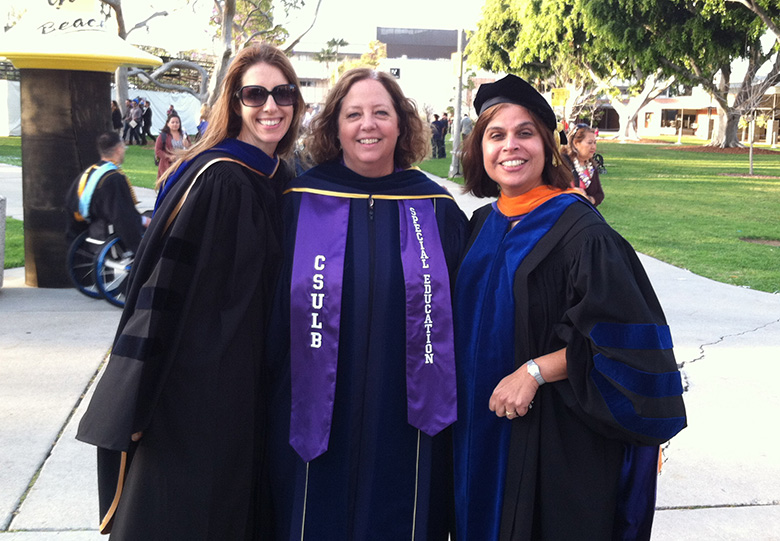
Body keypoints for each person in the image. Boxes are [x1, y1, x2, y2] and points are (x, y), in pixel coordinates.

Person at [75, 42, 305, 539]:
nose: (271, 106)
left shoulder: (275, 178)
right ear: (234, 102)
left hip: (251, 385)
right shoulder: (221, 180)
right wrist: (138, 393)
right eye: (255, 94)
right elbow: (163, 291)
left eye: (283, 93)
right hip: (200, 392)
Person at [452, 74, 687, 540]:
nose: (510, 147)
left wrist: (533, 371)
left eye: (525, 133)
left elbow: (629, 345)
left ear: (547, 144)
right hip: (479, 436)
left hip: (553, 444)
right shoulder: (480, 225)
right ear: (479, 149)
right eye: (496, 135)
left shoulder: (582, 232)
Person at [267, 67, 468, 540]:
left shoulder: (436, 209)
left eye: (381, 112)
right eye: (354, 114)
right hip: (312, 411)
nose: (368, 125)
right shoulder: (298, 204)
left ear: (401, 125)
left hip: (407, 414)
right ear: (334, 127)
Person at [66, 131, 149, 253]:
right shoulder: (113, 178)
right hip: (110, 225)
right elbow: (122, 215)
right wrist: (143, 221)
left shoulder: (90, 172)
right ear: (119, 149)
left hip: (80, 226)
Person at [561, 123, 605, 206]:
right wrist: (572, 192)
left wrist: (589, 200)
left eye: (595, 143)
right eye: (589, 143)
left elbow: (599, 195)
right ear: (576, 143)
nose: (593, 147)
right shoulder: (562, 163)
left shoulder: (591, 166)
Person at [154, 112, 190, 179]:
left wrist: (188, 145)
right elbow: (157, 150)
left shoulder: (184, 135)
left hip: (181, 165)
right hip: (167, 167)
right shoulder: (163, 136)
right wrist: (169, 156)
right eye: (172, 122)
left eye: (177, 122)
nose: (175, 124)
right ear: (168, 124)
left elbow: (191, 149)